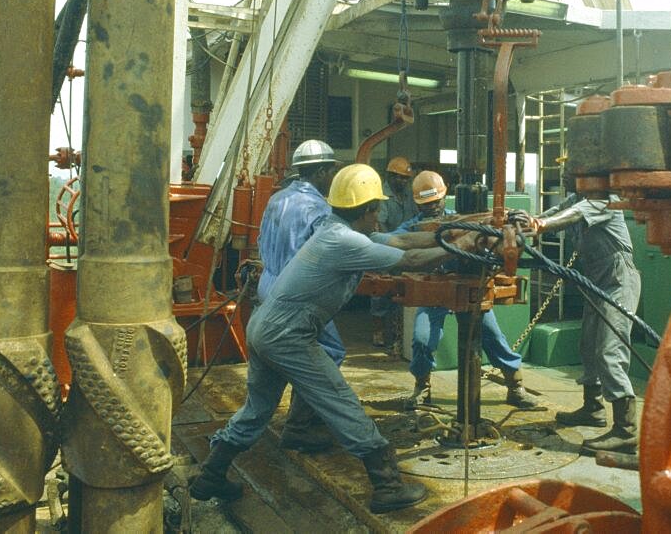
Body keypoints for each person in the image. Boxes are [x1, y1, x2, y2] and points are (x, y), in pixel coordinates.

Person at [190, 164, 480, 513]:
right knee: (340, 402)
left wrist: (448, 236)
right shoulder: (345, 243)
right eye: (376, 210)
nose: (379, 217)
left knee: (257, 411)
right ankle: (387, 485)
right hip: (287, 337)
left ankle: (211, 475)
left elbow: (402, 239)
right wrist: (461, 247)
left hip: (264, 328)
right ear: (368, 210)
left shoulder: (337, 229)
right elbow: (411, 258)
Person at [396, 171, 538, 411]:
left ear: (445, 196)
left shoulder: (465, 221)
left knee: (493, 338)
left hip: (471, 289)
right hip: (436, 291)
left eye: (435, 202)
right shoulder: (413, 227)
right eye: (425, 204)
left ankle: (515, 387)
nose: (432, 208)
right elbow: (396, 241)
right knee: (421, 339)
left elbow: (493, 234)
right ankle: (422, 386)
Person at [527, 171, 642, 455]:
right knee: (588, 346)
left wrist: (539, 224)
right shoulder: (575, 198)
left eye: (572, 173)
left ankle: (626, 430)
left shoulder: (605, 201)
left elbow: (571, 216)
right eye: (565, 171)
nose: (565, 176)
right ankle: (592, 408)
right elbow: (552, 214)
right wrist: (521, 220)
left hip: (618, 280)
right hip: (595, 279)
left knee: (609, 350)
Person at [255, 139, 344, 454]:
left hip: (267, 285)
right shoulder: (318, 208)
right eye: (330, 171)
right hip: (295, 295)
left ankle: (299, 416)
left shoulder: (276, 199)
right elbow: (323, 255)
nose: (331, 177)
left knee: (278, 352)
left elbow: (260, 239)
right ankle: (298, 426)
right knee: (329, 352)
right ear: (320, 171)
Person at [370, 156, 419, 347]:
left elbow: (417, 219)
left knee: (403, 291)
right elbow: (379, 223)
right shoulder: (381, 195)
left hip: (405, 248)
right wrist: (389, 245)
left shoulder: (409, 195)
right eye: (399, 177)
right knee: (381, 292)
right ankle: (378, 332)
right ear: (389, 176)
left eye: (406, 178)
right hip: (385, 247)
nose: (403, 181)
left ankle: (400, 334)